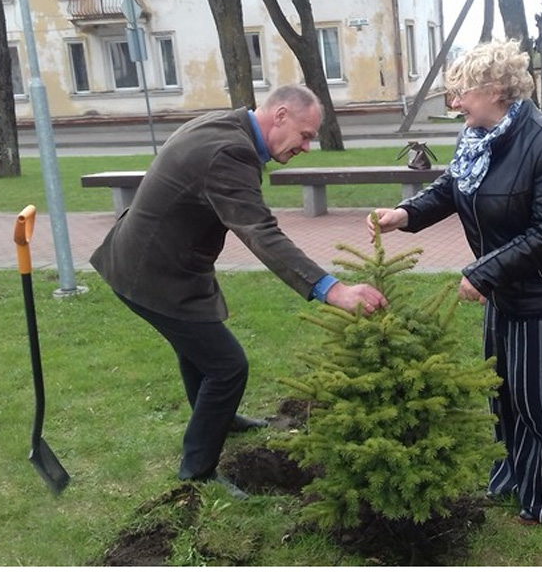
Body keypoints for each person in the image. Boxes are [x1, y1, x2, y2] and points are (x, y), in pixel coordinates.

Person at [91, 85, 387, 497]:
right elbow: (261, 232)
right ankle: (196, 472)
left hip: (165, 263)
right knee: (228, 366)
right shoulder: (230, 152)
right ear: (280, 115)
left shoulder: (228, 127)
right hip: (152, 274)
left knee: (201, 350)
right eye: (304, 135)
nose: (306, 147)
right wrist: (331, 289)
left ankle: (220, 418)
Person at [367, 39, 542, 525]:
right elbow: (454, 185)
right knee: (505, 390)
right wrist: (405, 214)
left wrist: (483, 271)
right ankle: (514, 475)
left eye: (461, 93)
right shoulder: (479, 135)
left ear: (495, 90)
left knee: (540, 400)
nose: (455, 104)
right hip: (507, 288)